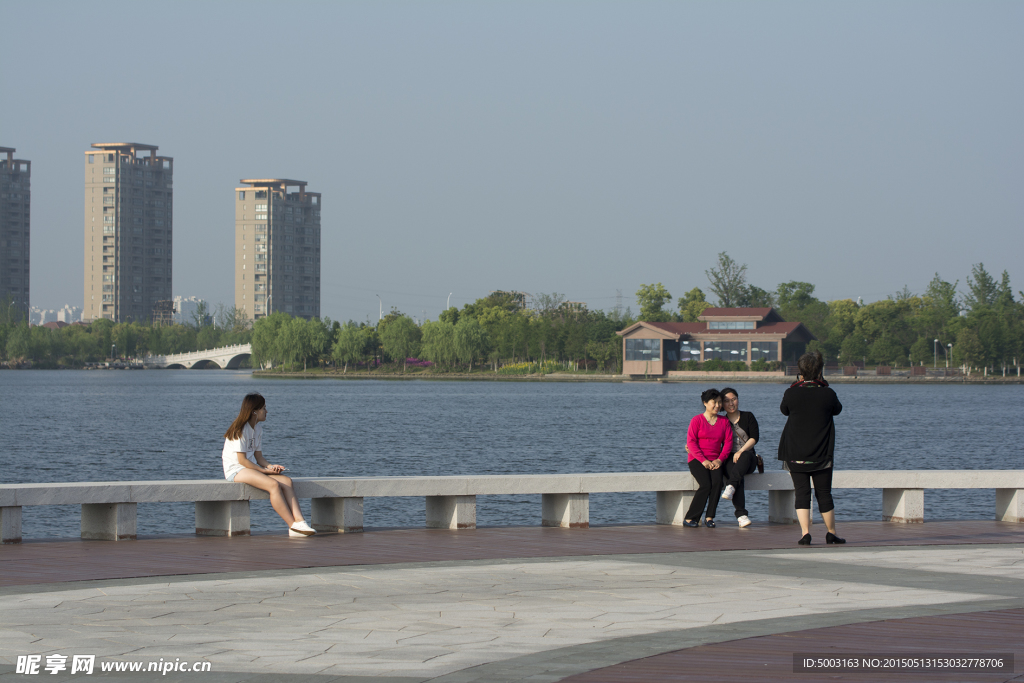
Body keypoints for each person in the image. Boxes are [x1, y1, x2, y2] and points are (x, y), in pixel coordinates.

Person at [222, 392, 315, 537]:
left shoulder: (257, 429)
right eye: (264, 408)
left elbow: (259, 457)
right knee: (273, 485)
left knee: (286, 481)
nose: (267, 411)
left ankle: (300, 521)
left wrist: (271, 467)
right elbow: (242, 461)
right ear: (254, 411)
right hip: (236, 470)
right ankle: (292, 526)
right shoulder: (240, 429)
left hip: (250, 468)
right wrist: (265, 472)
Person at [778, 351, 844, 545]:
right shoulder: (828, 393)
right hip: (822, 454)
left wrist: (798, 385)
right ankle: (831, 532)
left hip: (795, 454)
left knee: (802, 493)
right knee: (824, 493)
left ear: (800, 371)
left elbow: (784, 410)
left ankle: (805, 533)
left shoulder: (791, 392)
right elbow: (837, 409)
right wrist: (823, 384)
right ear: (819, 371)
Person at [684, 389, 732, 528]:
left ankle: (709, 517)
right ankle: (690, 518)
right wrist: (703, 460)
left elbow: (728, 443)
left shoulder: (724, 421)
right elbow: (691, 442)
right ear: (705, 403)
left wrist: (719, 460)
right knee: (705, 485)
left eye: (719, 402)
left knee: (718, 483)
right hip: (697, 459)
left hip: (716, 459)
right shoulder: (696, 420)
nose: (717, 405)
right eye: (714, 402)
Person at [719, 387, 761, 528]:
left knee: (745, 457)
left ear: (738, 399)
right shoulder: (721, 421)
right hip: (729, 459)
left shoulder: (748, 416)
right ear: (722, 404)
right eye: (727, 401)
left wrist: (741, 451)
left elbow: (755, 438)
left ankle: (730, 486)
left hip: (748, 457)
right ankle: (741, 515)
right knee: (736, 475)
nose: (731, 404)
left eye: (734, 399)